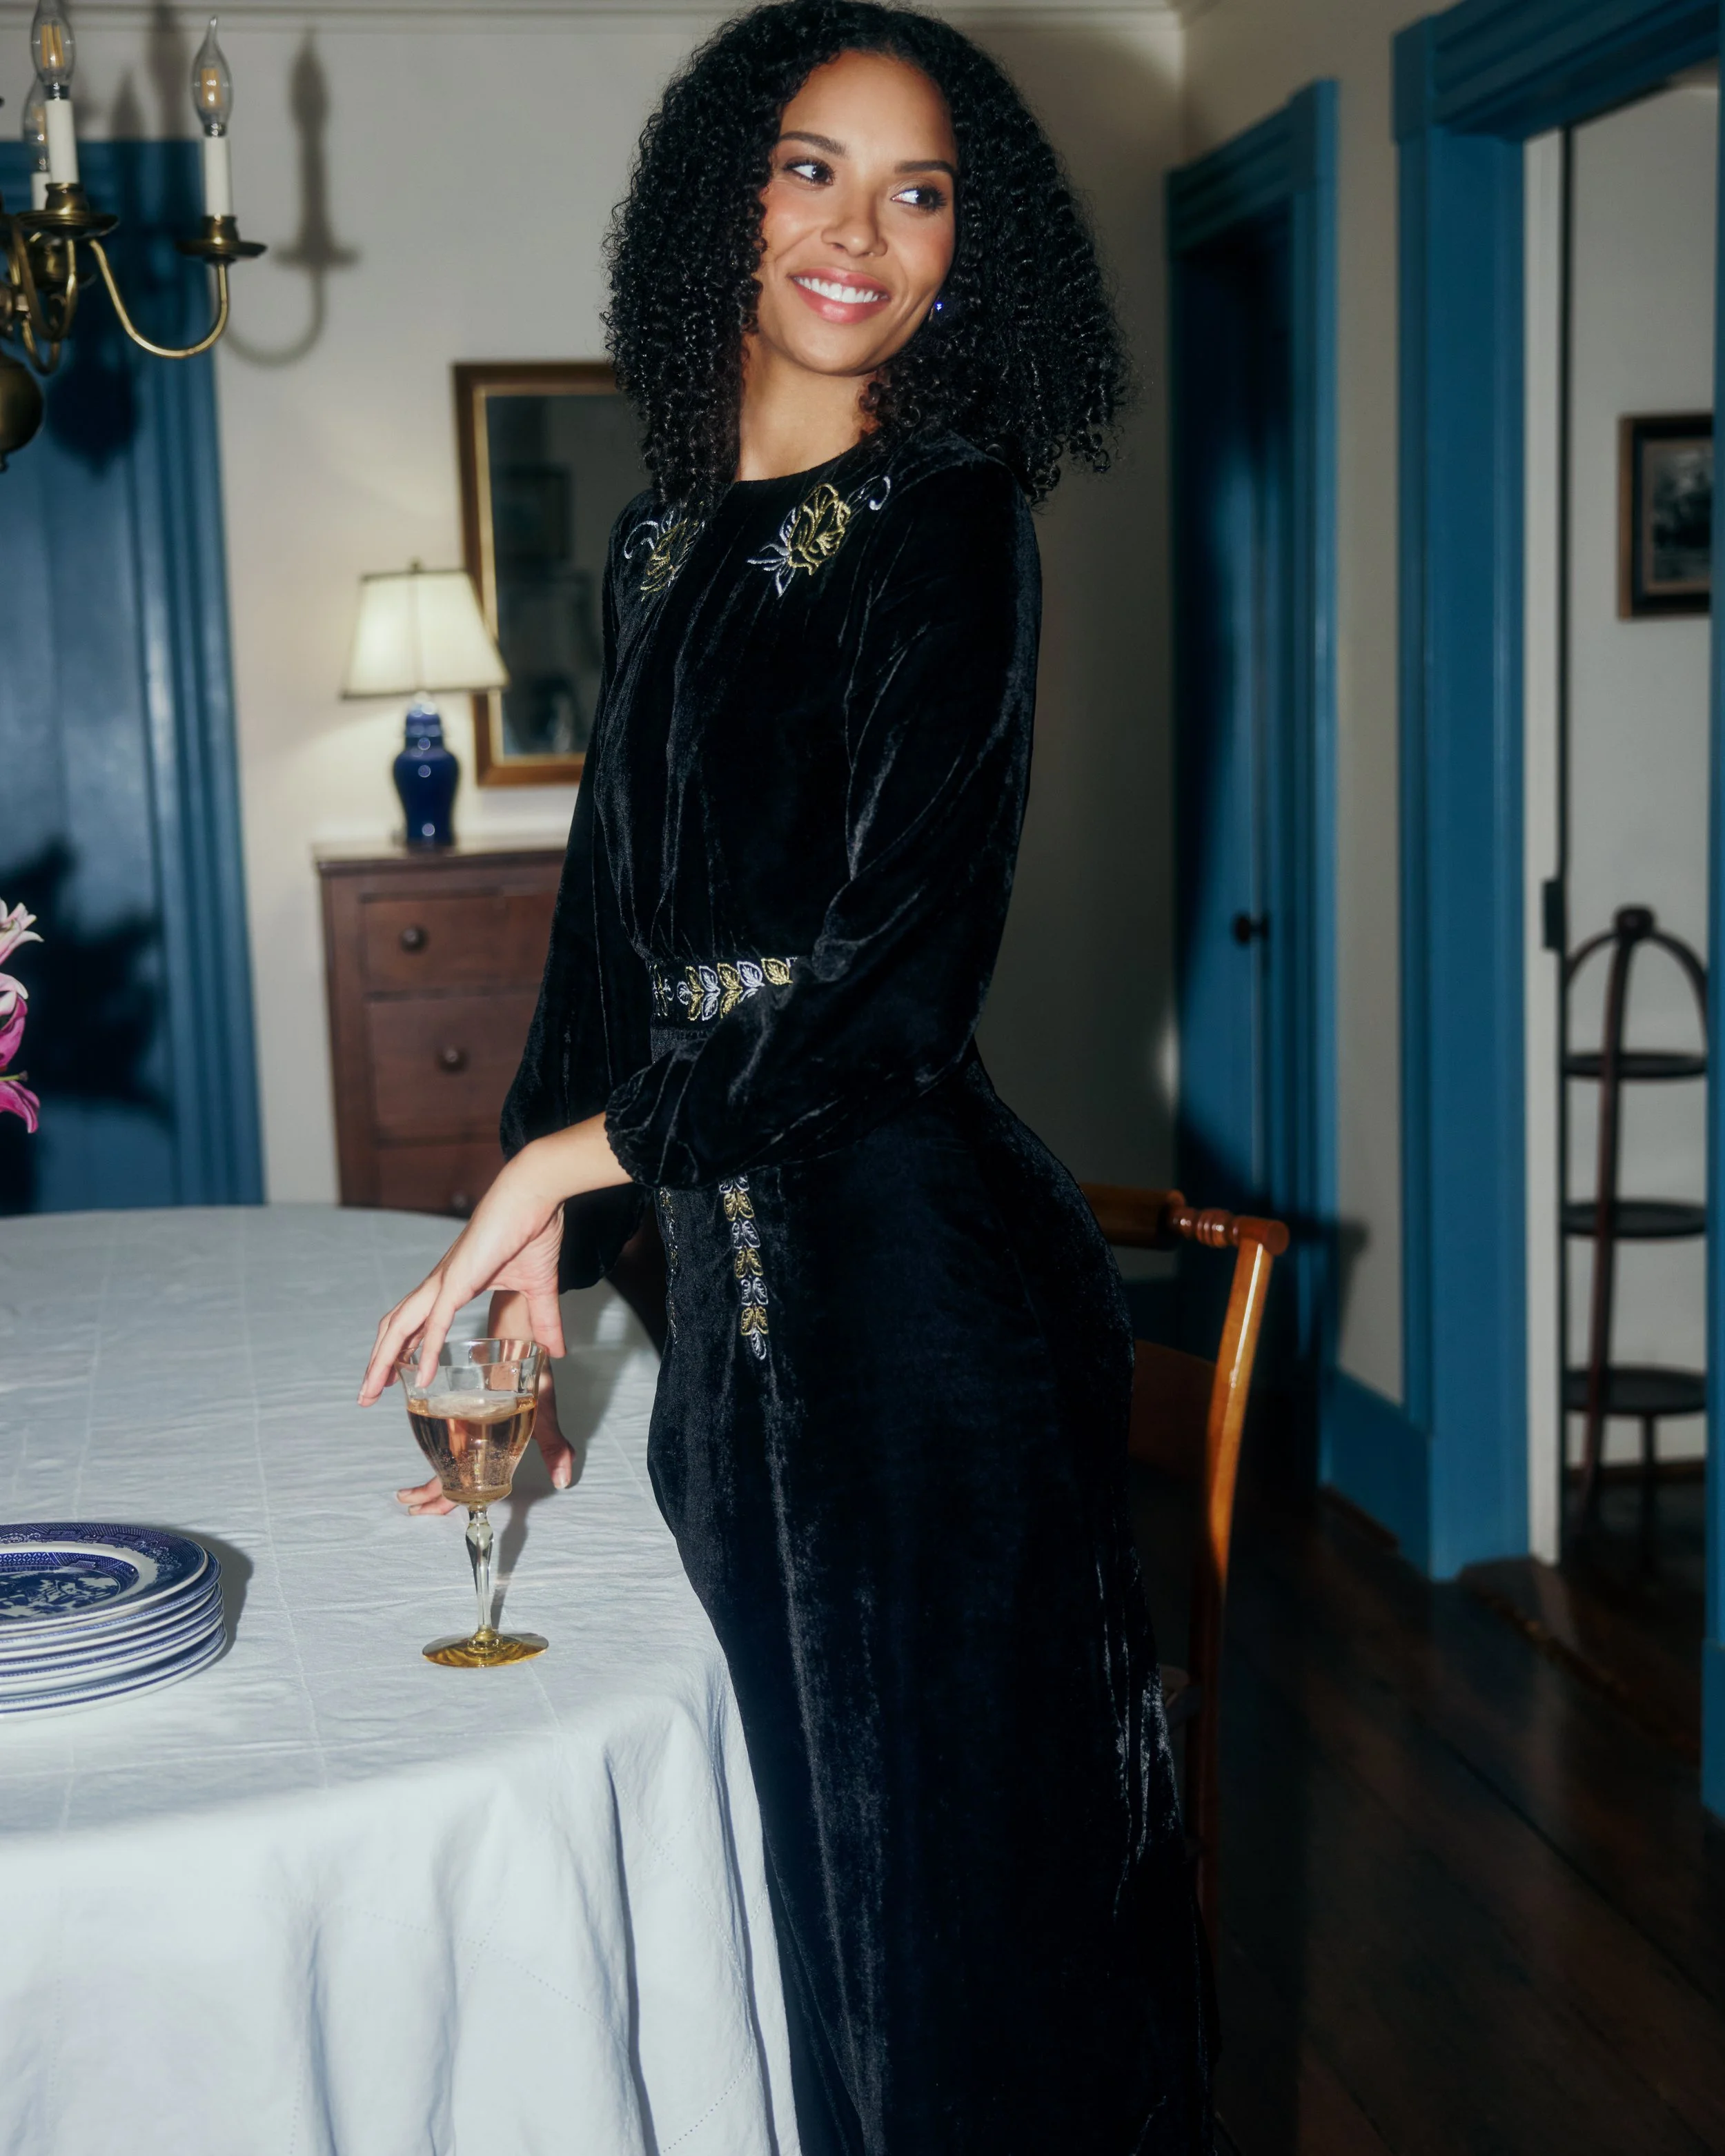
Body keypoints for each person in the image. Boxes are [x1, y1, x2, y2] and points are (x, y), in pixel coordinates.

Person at [362, 3, 1213, 2146]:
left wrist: (564, 1152)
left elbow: (898, 985)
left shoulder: (944, 521)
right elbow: (602, 945)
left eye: (918, 188)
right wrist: (544, 1228)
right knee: (787, 1922)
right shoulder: (660, 542)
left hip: (924, 1332)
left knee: (955, 1958)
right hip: (737, 1356)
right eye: (810, 166)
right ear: (718, 197)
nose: (862, 229)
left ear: (971, 242)